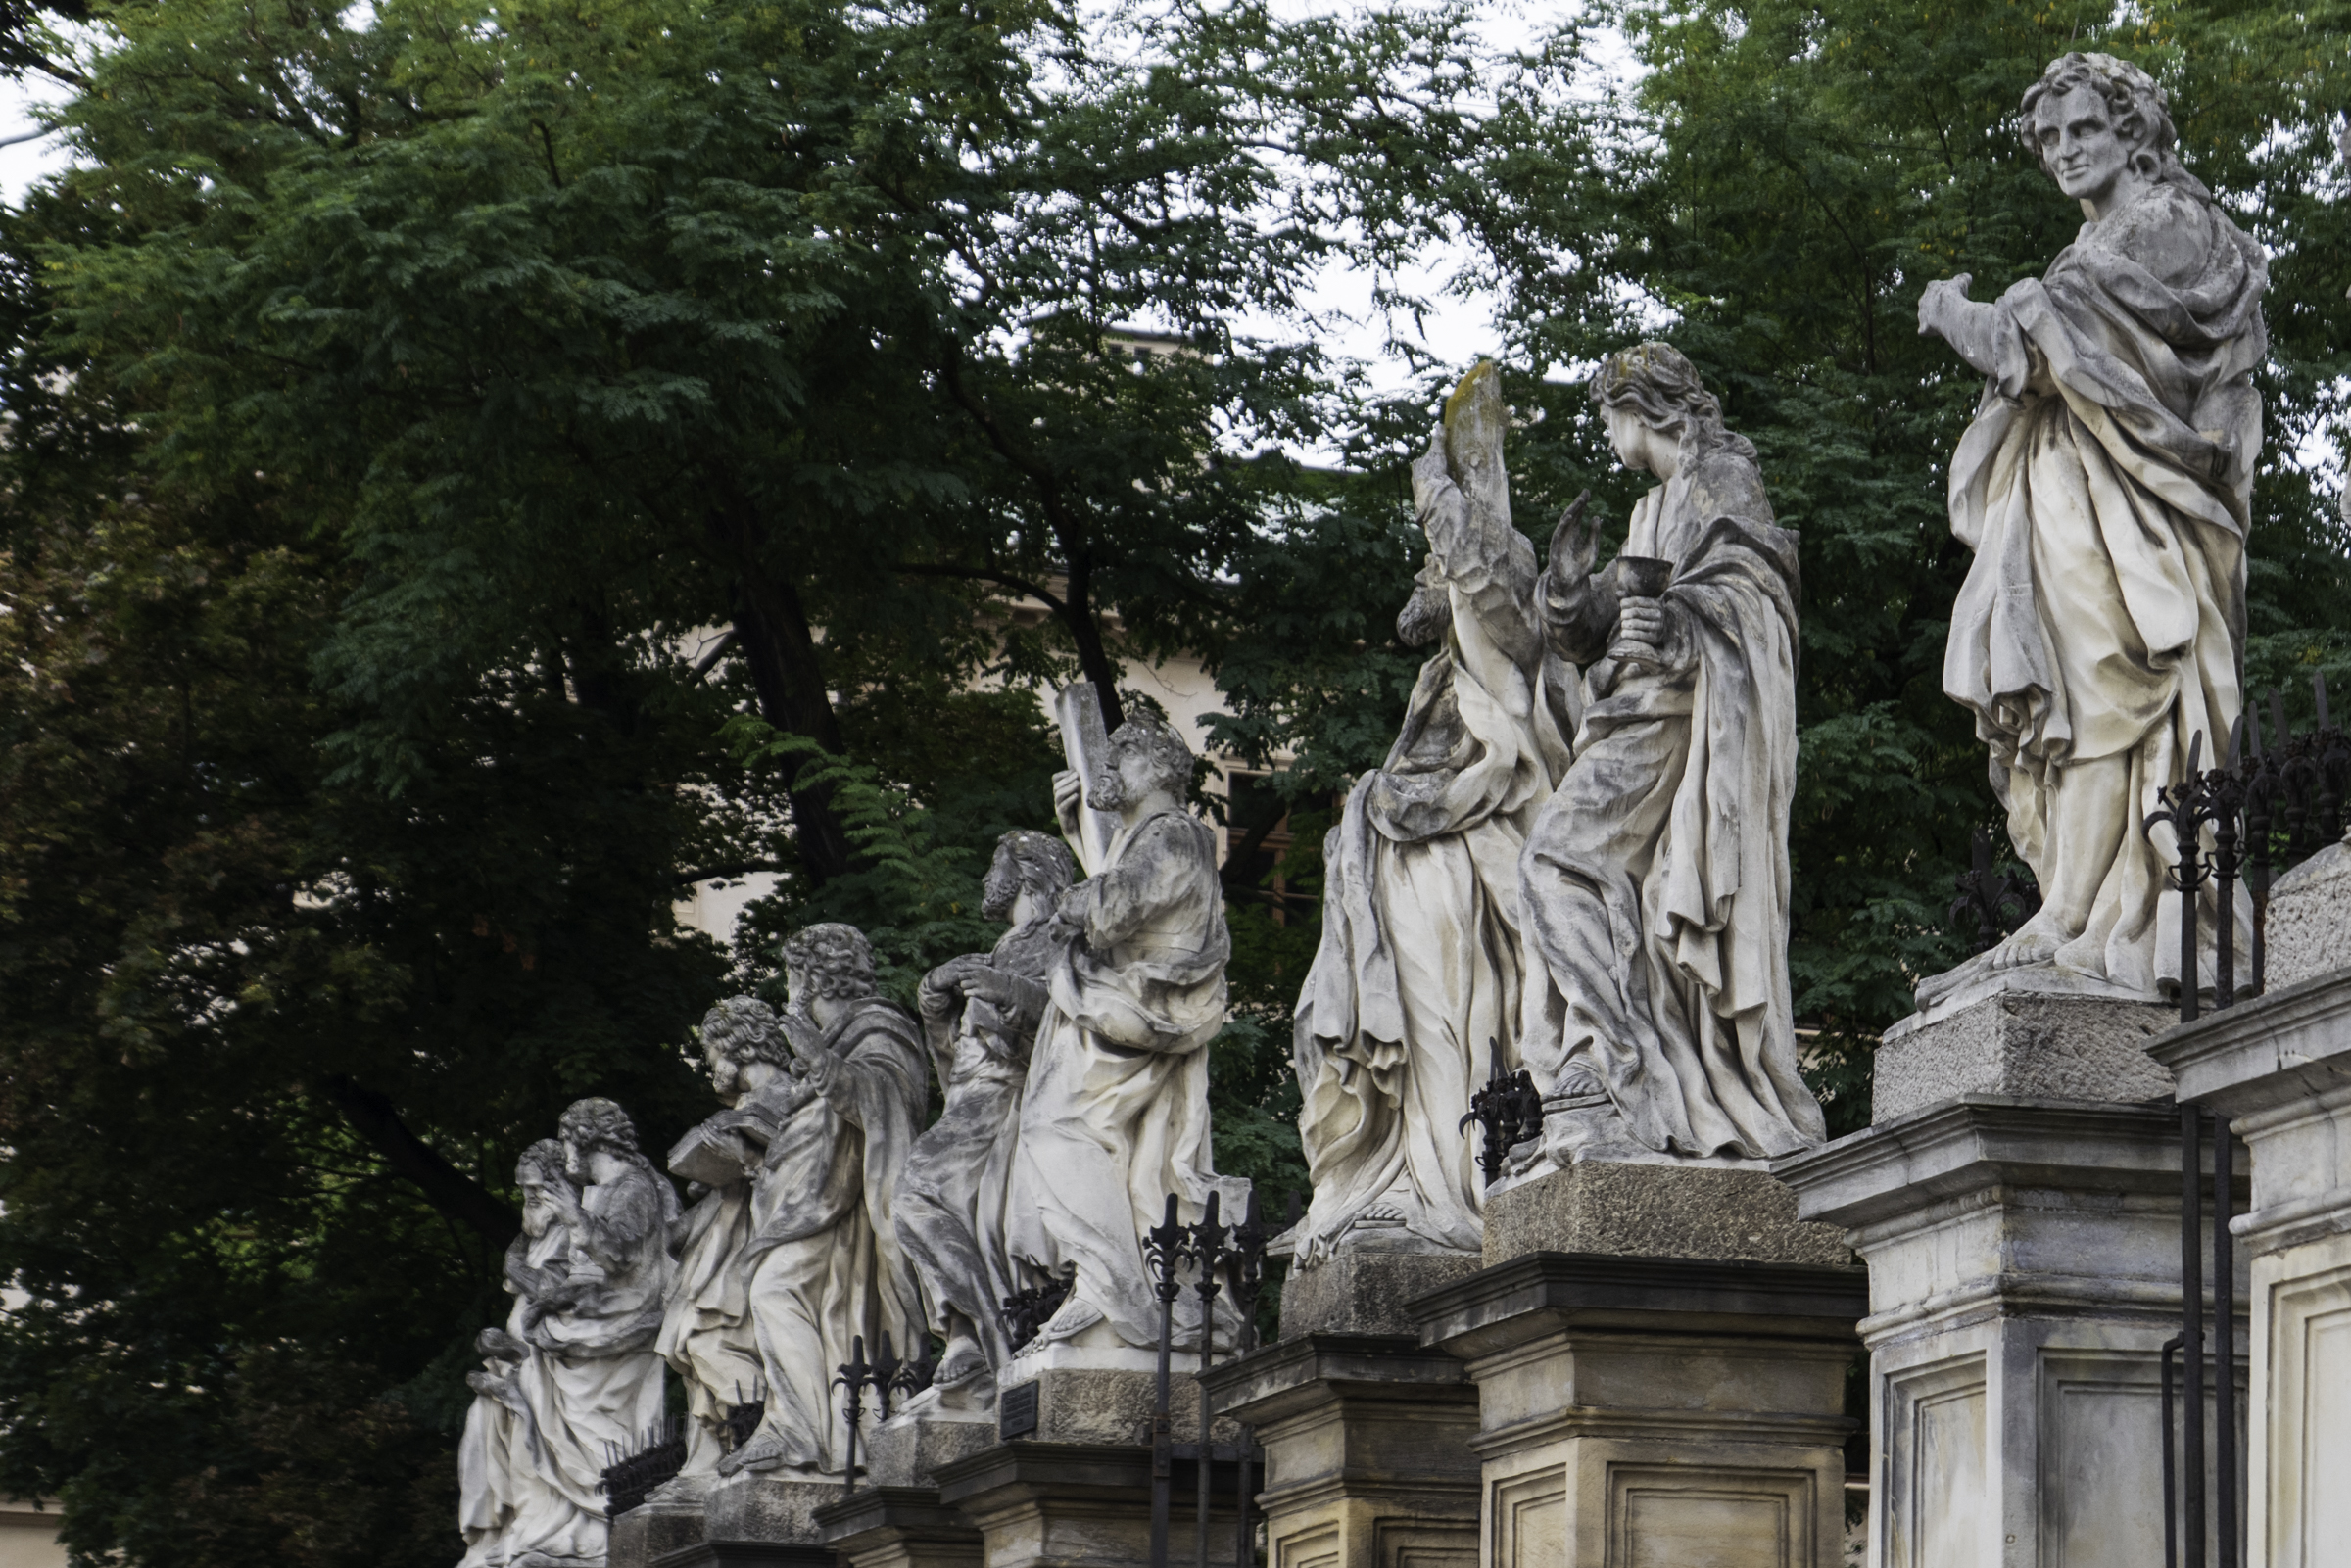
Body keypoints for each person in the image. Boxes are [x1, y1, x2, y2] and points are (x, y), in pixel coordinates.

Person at [1916, 52, 2262, 1001]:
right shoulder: (2095, 243)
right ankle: (2069, 901)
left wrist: (1953, 310)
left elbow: (2036, 347)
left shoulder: (2168, 224)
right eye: (2049, 138)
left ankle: (2077, 911)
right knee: (2069, 699)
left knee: (2115, 683)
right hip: (2074, 491)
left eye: (2084, 130)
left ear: (2132, 132)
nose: (2063, 151)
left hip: (2135, 505)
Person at [1290, 360, 1575, 1261]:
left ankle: (1454, 1173)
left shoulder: (1502, 637)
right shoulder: (1437, 680)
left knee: (1461, 1007)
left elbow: (1486, 589)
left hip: (1466, 852)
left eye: (1435, 569)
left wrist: (1442, 491)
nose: (1426, 587)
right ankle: (1421, 1167)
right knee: (1427, 1020)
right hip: (1420, 848)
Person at [1515, 343, 1824, 1164]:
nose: (1608, 434)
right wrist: (1565, 592)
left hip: (1680, 718)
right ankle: (1620, 1063)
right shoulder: (1651, 508)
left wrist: (1681, 625)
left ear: (1638, 409)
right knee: (1596, 884)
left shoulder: (1721, 475)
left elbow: (1755, 596)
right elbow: (1598, 629)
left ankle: (1615, 1064)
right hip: (1634, 712)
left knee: (1554, 860)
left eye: (1607, 417)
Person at [1005, 712, 1251, 1352]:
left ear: (1160, 768)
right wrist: (1076, 834)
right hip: (1120, 1007)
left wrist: (1067, 902)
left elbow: (1116, 907)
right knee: (1115, 1153)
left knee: (1057, 1131)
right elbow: (1119, 895)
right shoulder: (1142, 837)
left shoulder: (1175, 833)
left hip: (1139, 1008)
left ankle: (1113, 1290)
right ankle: (1109, 1286)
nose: (1109, 766)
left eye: (1125, 755)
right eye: (1107, 756)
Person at [720, 925, 927, 1476]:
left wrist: (820, 1059)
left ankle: (801, 1430)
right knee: (784, 1297)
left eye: (792, 974)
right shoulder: (828, 1040)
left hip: (843, 1205)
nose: (790, 987)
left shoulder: (877, 1026)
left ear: (811, 977)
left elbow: (883, 1100)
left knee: (773, 1289)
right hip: (805, 1203)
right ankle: (810, 1426)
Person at [899, 830, 1079, 1386]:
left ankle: (974, 1329)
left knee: (917, 1190)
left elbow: (1068, 1018)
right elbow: (958, 1052)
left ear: (1027, 873)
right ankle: (973, 1331)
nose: (984, 878)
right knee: (930, 1202)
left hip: (1003, 1097)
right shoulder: (1006, 945)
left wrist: (1004, 990)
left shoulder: (1056, 936)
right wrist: (934, 996)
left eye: (994, 867)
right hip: (971, 1097)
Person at [457, 1111, 675, 1568]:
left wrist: (571, 1222)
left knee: (551, 1411)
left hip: (607, 1331)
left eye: (538, 1190)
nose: (532, 1199)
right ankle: (542, 1528)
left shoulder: (630, 1188)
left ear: (585, 1141)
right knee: (514, 1408)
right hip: (579, 1333)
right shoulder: (600, 1196)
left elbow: (616, 1260)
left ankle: (579, 1529)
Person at [655, 998, 790, 1480]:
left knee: (711, 1338)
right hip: (723, 1239)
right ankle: (736, 1432)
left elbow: (803, 1161)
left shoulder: (787, 1095)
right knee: (694, 1340)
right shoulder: (742, 1108)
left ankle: (759, 1424)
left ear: (739, 1045)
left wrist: (743, 1151)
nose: (711, 1066)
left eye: (712, 1053)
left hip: (754, 1238)